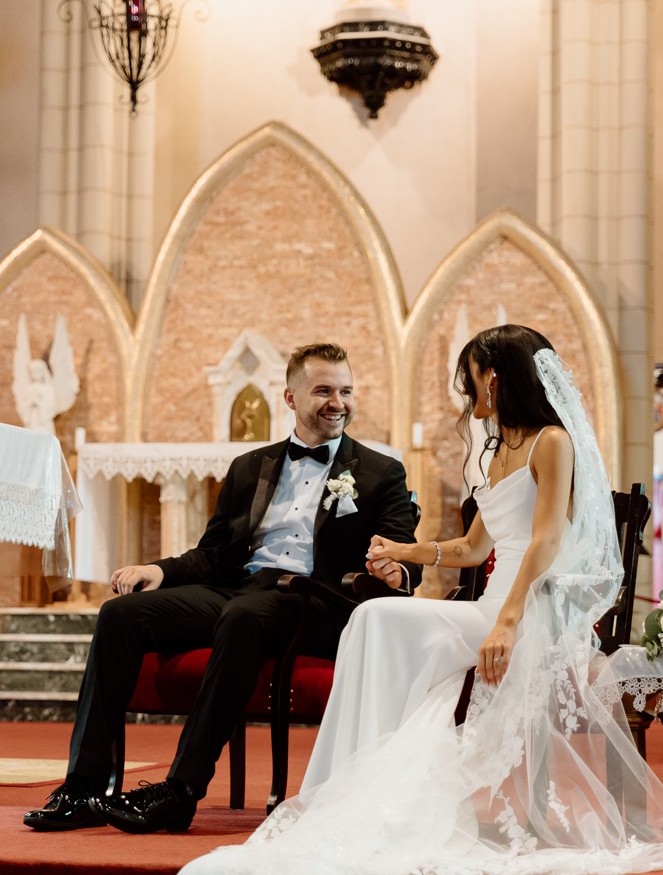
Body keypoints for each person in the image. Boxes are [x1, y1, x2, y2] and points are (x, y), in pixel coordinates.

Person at [160, 325, 663, 875]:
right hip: (486, 607)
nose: (459, 390)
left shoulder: (552, 442)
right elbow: (473, 548)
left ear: (493, 379)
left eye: (466, 375)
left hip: (526, 612)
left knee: (392, 623)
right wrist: (406, 554)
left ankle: (376, 785)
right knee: (376, 618)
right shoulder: (491, 446)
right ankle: (346, 786)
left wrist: (506, 622)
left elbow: (547, 538)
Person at [24, 342, 420, 834]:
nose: (337, 402)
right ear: (290, 398)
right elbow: (213, 555)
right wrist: (161, 571)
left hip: (313, 601)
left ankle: (181, 790)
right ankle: (83, 788)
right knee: (121, 615)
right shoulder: (249, 467)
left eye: (345, 390)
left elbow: (405, 554)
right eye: (323, 390)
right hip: (239, 589)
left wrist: (397, 570)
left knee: (244, 617)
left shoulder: (381, 472)